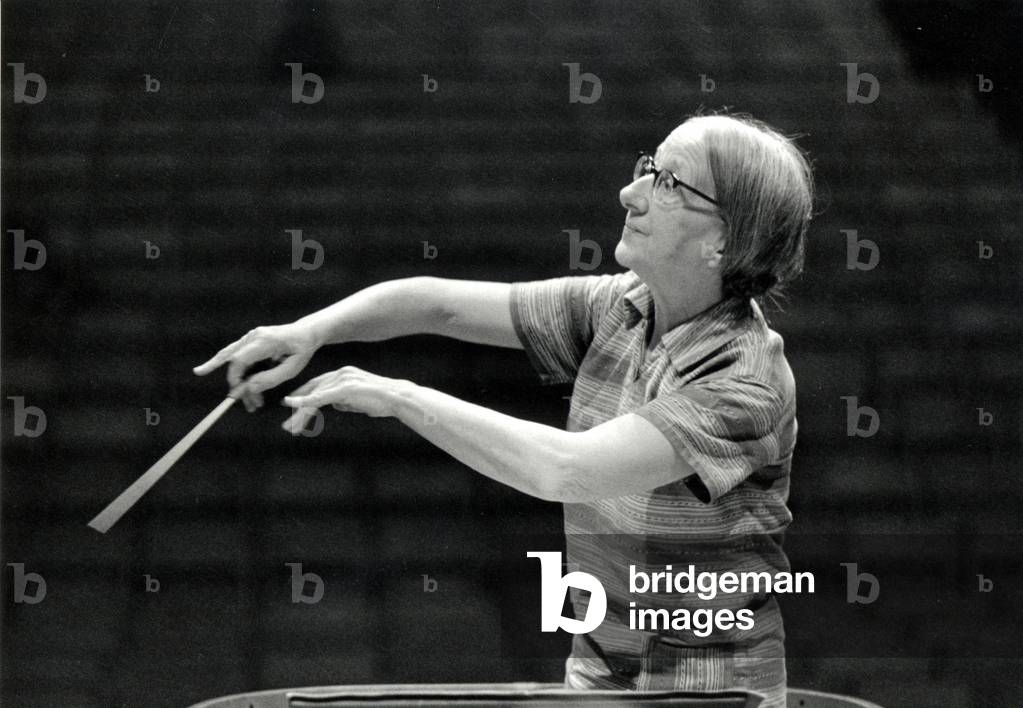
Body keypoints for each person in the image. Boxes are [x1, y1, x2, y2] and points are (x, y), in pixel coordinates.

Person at [194, 112, 814, 708]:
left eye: (669, 184)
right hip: (599, 680)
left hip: (709, 693)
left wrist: (400, 397)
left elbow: (566, 471)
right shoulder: (619, 307)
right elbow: (439, 306)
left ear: (726, 239)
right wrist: (311, 330)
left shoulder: (745, 382)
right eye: (648, 167)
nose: (632, 192)